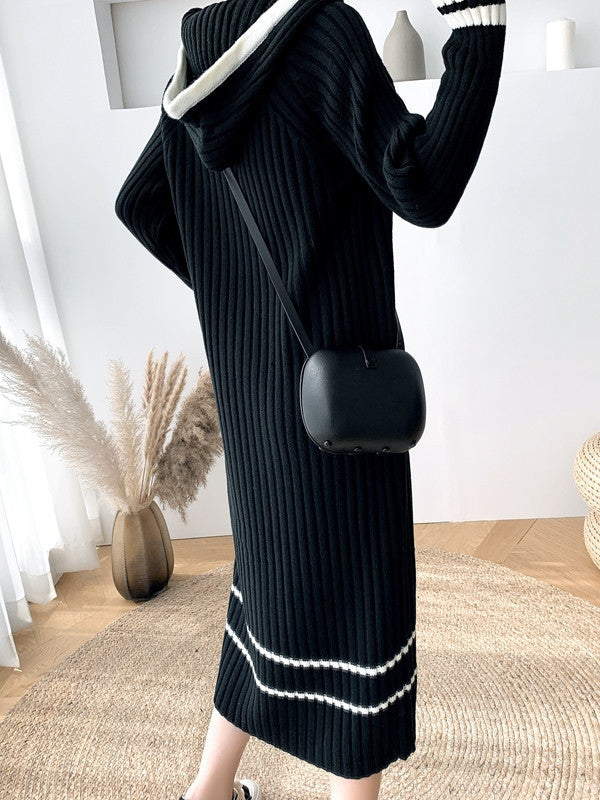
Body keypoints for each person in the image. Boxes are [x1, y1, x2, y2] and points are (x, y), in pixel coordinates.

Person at [114, 1, 507, 799]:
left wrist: (241, 305)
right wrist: (480, 31)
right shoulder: (323, 33)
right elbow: (423, 185)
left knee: (269, 586)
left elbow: (142, 203)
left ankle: (209, 789)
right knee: (359, 614)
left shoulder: (198, 57)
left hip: (255, 402)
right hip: (336, 405)